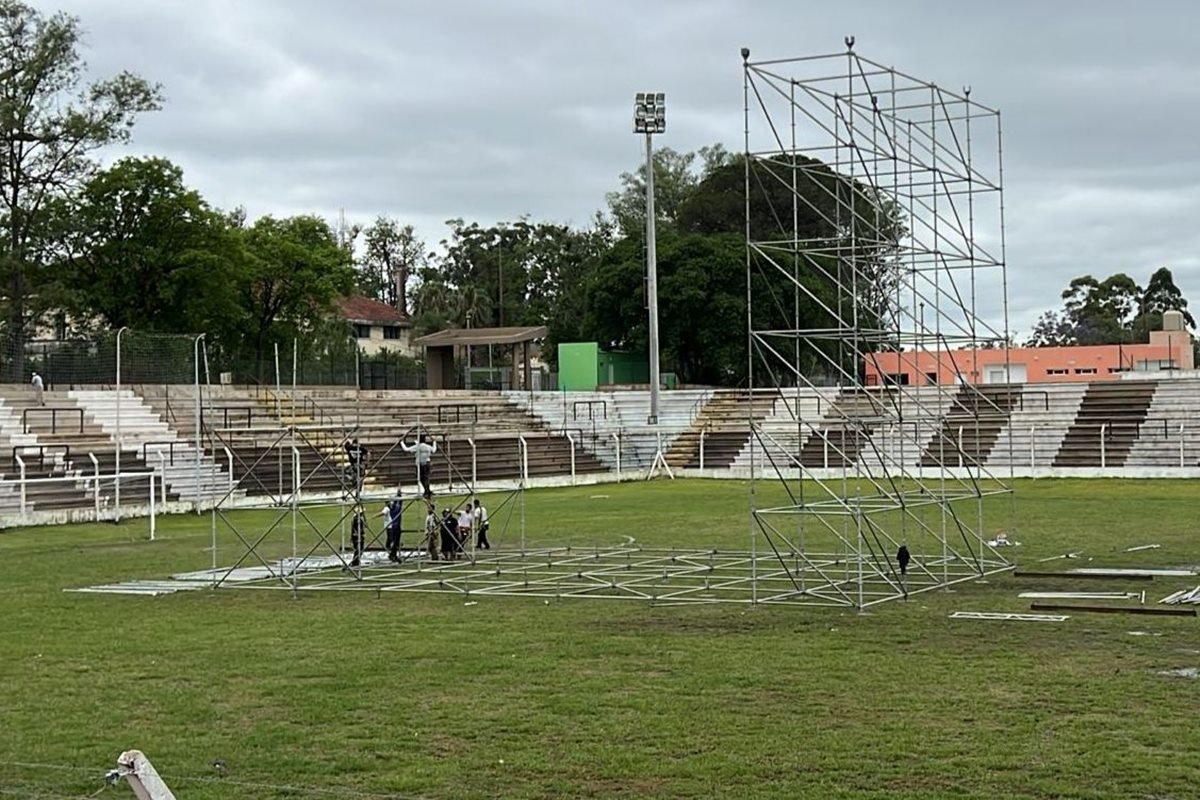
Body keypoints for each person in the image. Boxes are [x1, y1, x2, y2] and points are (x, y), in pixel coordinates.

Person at [401, 433, 437, 498]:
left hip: (421, 464)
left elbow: (406, 449)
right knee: (426, 478)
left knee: (421, 478)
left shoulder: (417, 447)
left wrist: (401, 442)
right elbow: (434, 450)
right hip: (427, 463)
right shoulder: (427, 446)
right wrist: (434, 442)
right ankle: (427, 491)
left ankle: (427, 491)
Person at [382, 496, 403, 563]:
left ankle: (393, 554)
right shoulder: (396, 508)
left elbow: (398, 501)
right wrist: (399, 495)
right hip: (395, 526)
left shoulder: (392, 509)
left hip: (395, 526)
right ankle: (392, 555)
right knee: (395, 542)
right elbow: (400, 501)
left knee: (395, 542)